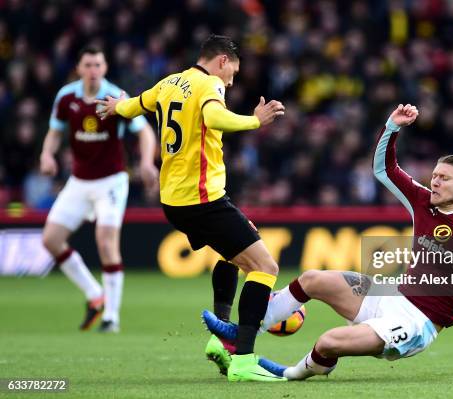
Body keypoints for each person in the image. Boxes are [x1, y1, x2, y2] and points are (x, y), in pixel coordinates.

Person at [202, 103, 453, 380]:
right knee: (311, 279)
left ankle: (293, 373)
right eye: (434, 175)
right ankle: (241, 335)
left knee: (328, 342)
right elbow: (384, 170)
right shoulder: (422, 201)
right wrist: (392, 128)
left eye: (443, 179)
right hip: (391, 296)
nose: (434, 182)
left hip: (419, 323)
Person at [95, 34, 286, 382]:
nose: (231, 80)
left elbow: (135, 104)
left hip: (174, 200)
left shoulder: (170, 83)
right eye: (233, 72)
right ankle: (243, 359)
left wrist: (114, 107)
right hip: (203, 200)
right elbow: (214, 117)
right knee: (265, 266)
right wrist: (255, 120)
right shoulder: (209, 83)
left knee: (236, 253)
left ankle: (221, 340)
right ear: (223, 61)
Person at [40, 47, 158, 333]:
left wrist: (145, 161)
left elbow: (143, 131)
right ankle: (95, 295)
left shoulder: (116, 97)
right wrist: (46, 154)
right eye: (88, 64)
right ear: (79, 68)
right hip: (79, 181)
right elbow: (55, 131)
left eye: (98, 64)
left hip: (111, 181)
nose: (93, 69)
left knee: (106, 243)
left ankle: (111, 318)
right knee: (51, 240)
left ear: (104, 68)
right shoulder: (67, 97)